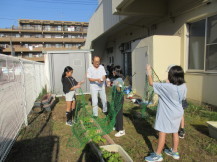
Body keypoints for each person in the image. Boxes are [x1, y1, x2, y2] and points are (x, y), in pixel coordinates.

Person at [145, 64, 187, 162]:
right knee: (175, 132)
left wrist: (148, 71)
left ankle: (158, 155)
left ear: (171, 75)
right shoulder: (183, 86)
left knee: (162, 133)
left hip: (167, 114)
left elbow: (151, 83)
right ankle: (175, 152)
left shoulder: (166, 86)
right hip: (178, 113)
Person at [112, 66, 125, 137]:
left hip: (119, 98)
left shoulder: (119, 80)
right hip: (116, 98)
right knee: (116, 112)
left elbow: (119, 90)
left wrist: (116, 85)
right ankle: (117, 126)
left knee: (119, 114)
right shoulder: (116, 79)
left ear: (117, 72)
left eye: (114, 71)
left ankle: (121, 130)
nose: (112, 72)